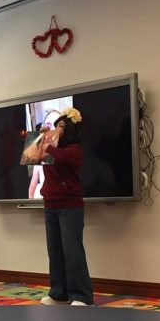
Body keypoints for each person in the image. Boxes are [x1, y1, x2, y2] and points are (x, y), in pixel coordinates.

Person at [39, 107, 94, 306]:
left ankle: (82, 295)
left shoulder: (74, 150)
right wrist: (41, 139)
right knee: (55, 251)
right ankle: (59, 293)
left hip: (69, 207)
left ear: (70, 129)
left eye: (61, 126)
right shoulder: (52, 148)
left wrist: (48, 145)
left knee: (72, 251)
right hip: (50, 204)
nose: (57, 129)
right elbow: (34, 156)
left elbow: (63, 158)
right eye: (56, 126)